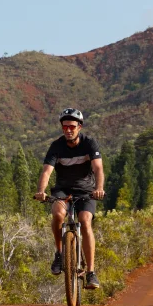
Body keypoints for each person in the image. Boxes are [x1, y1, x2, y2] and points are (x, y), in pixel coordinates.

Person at [34, 108, 104, 289]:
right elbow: (47, 171)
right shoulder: (56, 146)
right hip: (63, 190)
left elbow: (98, 169)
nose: (68, 130)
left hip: (86, 191)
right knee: (57, 214)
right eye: (65, 127)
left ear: (79, 127)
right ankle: (59, 253)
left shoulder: (90, 144)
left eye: (72, 126)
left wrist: (99, 188)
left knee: (85, 221)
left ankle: (90, 272)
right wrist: (41, 191)